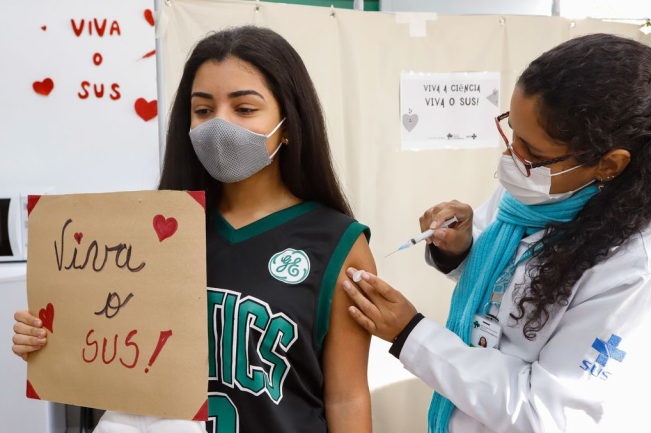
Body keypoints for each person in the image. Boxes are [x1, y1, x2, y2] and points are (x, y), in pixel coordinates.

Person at [12, 26, 375, 433]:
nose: (219, 125)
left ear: (289, 123)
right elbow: (112, 354)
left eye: (244, 108)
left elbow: (347, 397)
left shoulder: (339, 244)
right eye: (203, 110)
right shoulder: (153, 234)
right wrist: (49, 340)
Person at [341, 33, 651, 432]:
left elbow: (546, 414)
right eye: (512, 134)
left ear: (609, 165)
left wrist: (410, 334)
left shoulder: (632, 269)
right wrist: (462, 248)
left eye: (533, 153)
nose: (512, 159)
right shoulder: (537, 187)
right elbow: (508, 282)